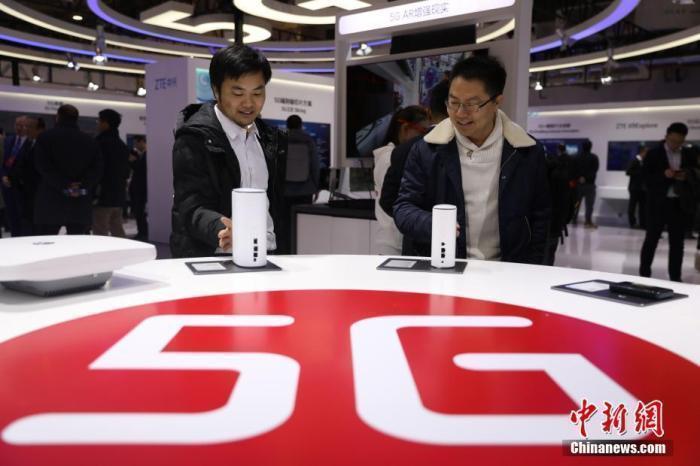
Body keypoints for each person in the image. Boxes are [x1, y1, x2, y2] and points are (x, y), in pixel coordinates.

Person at [394, 55, 551, 264]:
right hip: (445, 266)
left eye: (471, 104)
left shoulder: (526, 151)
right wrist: (434, 224)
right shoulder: (427, 149)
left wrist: (534, 267)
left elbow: (540, 216)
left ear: (496, 102)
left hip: (509, 269)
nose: (460, 113)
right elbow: (403, 207)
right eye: (453, 103)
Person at [171, 44, 287, 258]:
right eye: (237, 93)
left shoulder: (269, 138)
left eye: (257, 92)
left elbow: (275, 203)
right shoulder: (195, 138)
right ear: (216, 90)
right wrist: (220, 228)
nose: (249, 103)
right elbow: (190, 206)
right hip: (217, 256)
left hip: (267, 253)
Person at [380, 80, 448, 256]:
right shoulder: (414, 149)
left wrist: (414, 222)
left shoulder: (404, 149)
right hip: (439, 244)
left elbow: (388, 200)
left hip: (416, 246)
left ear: (430, 112)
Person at [639, 123, 699, 282]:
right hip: (657, 203)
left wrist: (686, 176)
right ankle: (644, 275)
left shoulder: (688, 154)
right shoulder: (653, 154)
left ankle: (675, 277)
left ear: (684, 140)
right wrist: (663, 175)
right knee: (651, 239)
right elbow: (645, 179)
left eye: (679, 142)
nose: (675, 145)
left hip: (679, 204)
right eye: (672, 141)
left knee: (677, 243)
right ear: (666, 137)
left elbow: (695, 174)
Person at [33, 104, 102, 235]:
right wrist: (80, 185)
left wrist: (65, 185)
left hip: (51, 199)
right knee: (76, 242)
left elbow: (42, 167)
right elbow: (97, 169)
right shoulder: (90, 140)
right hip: (79, 201)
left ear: (58, 117)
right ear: (76, 118)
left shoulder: (45, 137)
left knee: (47, 242)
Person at [373, 105, 429, 255]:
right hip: (393, 243)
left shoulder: (390, 157)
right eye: (423, 131)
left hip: (396, 240)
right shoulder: (388, 159)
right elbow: (393, 201)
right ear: (405, 129)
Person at [282, 114, 319, 252]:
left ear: (287, 125)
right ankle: (302, 251)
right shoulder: (308, 140)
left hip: (285, 191)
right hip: (305, 190)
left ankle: (285, 252)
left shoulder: (281, 139)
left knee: (284, 225)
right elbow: (315, 165)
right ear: (300, 125)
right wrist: (315, 187)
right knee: (304, 224)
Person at [93, 109, 130, 237]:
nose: (97, 124)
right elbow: (126, 172)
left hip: (102, 195)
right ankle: (125, 250)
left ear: (105, 123)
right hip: (118, 195)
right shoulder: (122, 145)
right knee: (117, 228)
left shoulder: (99, 143)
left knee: (100, 231)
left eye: (99, 121)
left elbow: (96, 170)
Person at [543, 143, 578, 265]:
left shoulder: (538, 175)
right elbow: (570, 201)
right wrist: (564, 220)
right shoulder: (562, 174)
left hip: (539, 227)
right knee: (549, 256)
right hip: (556, 224)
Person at [11, 117, 45, 235]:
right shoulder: (28, 142)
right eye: (26, 126)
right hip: (25, 191)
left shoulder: (45, 144)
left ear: (40, 129)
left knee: (35, 226)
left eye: (30, 127)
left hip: (38, 193)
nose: (26, 129)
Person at [1, 115, 28, 236]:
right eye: (17, 125)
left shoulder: (30, 142)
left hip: (22, 187)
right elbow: (2, 161)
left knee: (23, 219)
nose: (19, 128)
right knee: (11, 217)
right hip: (7, 186)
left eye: (22, 125)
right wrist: (3, 176)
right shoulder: (8, 140)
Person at [573, 139, 599, 229]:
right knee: (589, 205)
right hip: (590, 184)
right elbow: (595, 170)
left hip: (578, 184)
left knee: (576, 203)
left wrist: (579, 177)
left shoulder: (576, 157)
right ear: (591, 147)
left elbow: (573, 170)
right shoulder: (594, 157)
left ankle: (573, 219)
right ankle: (588, 221)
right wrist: (586, 178)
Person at [128, 135, 148, 240]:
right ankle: (142, 232)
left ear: (142, 142)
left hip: (142, 189)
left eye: (136, 143)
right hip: (138, 189)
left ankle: (143, 233)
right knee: (139, 212)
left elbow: (141, 171)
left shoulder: (147, 155)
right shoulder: (141, 155)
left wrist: (133, 162)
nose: (135, 146)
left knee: (141, 212)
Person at [626, 145, 648, 229]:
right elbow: (628, 172)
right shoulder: (634, 160)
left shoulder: (644, 161)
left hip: (643, 188)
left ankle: (643, 223)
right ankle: (632, 223)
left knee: (643, 207)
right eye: (646, 152)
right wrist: (640, 172)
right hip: (634, 188)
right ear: (642, 152)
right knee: (632, 206)